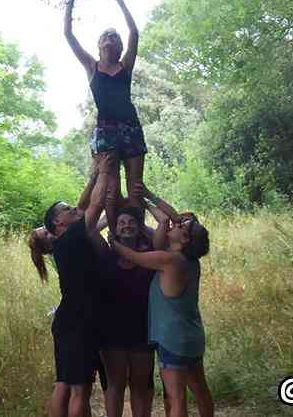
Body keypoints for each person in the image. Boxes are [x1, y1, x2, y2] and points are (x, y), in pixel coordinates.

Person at [108, 191, 213, 417]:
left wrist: (113, 243)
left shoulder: (168, 260)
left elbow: (134, 257)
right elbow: (166, 220)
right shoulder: (189, 260)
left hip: (173, 339)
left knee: (177, 400)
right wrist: (146, 199)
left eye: (179, 227)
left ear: (184, 239)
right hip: (193, 336)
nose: (174, 225)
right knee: (201, 391)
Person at [63, 0, 150, 236]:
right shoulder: (92, 66)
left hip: (131, 127)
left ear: (120, 47)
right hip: (106, 131)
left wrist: (121, 1)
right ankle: (116, 237)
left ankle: (138, 236)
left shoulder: (126, 65)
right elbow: (68, 35)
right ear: (100, 45)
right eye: (106, 37)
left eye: (115, 37)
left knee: (135, 187)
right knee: (111, 190)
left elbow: (134, 32)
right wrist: (71, 1)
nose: (110, 38)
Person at [38, 155, 116, 417]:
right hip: (76, 322)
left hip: (71, 321)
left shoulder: (68, 239)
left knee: (66, 385)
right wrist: (103, 172)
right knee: (79, 391)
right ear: (58, 223)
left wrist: (95, 175)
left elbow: (85, 206)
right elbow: (93, 205)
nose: (73, 210)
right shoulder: (70, 237)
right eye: (67, 210)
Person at [95, 203, 168, 417]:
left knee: (141, 386)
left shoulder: (150, 254)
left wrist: (140, 220)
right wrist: (110, 219)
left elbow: (162, 226)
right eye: (122, 223)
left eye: (131, 222)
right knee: (115, 385)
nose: (127, 226)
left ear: (141, 226)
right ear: (114, 228)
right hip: (110, 332)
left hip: (142, 329)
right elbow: (89, 230)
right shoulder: (105, 254)